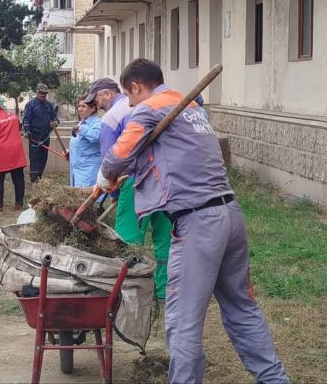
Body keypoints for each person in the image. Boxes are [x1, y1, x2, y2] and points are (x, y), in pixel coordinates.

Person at [97, 59, 289, 384]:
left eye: (129, 98)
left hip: (198, 223)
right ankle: (275, 380)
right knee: (242, 308)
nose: (129, 105)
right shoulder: (189, 108)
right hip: (229, 213)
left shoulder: (148, 108)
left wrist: (105, 175)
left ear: (135, 87)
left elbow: (119, 154)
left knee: (182, 319)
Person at [82, 77, 172, 302]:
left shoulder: (112, 117)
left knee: (128, 240)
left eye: (96, 100)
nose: (96, 105)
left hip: (134, 183)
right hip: (164, 181)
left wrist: (113, 194)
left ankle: (130, 291)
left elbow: (109, 160)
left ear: (108, 94)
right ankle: (163, 291)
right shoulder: (153, 105)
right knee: (164, 238)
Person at [22, 83, 60, 183]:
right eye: (41, 93)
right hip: (34, 136)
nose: (43, 95)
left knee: (43, 158)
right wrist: (27, 131)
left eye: (45, 93)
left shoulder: (48, 105)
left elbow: (55, 117)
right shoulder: (30, 105)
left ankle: (39, 178)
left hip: (45, 136)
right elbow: (26, 120)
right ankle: (34, 181)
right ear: (36, 92)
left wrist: (55, 122)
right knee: (35, 159)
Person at [66, 94, 101, 187]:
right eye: (79, 106)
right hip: (77, 170)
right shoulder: (81, 122)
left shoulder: (97, 122)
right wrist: (69, 152)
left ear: (92, 108)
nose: (80, 109)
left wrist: (81, 129)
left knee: (86, 199)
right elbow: (80, 144)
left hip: (88, 171)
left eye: (84, 106)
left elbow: (96, 137)